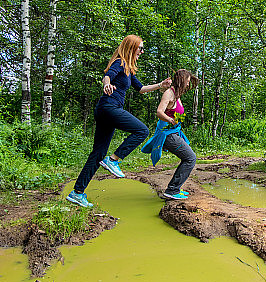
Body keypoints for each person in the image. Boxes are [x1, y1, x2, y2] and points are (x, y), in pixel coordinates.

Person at [67, 35, 172, 208]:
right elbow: (107, 76)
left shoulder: (128, 69)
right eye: (140, 48)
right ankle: (114, 159)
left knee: (98, 154)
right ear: (131, 48)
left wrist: (160, 85)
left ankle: (77, 193)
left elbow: (141, 89)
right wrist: (106, 85)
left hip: (105, 111)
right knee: (142, 131)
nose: (142, 51)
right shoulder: (120, 62)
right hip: (110, 107)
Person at [141, 69, 198, 200]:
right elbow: (159, 112)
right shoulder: (169, 94)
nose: (188, 84)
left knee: (188, 158)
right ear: (182, 80)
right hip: (167, 134)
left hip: (174, 133)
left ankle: (174, 188)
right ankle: (172, 190)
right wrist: (171, 120)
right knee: (190, 158)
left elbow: (192, 85)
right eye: (187, 81)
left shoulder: (177, 94)